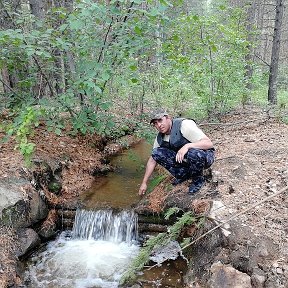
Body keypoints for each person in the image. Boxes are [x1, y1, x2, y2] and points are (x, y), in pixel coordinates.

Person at [138, 111, 215, 196]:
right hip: (186, 161)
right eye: (155, 123)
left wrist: (187, 146)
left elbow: (209, 144)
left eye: (160, 120)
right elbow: (152, 160)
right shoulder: (160, 138)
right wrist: (144, 182)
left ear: (168, 118)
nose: (159, 125)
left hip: (204, 156)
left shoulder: (184, 125)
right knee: (156, 152)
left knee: (193, 153)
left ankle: (198, 180)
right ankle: (184, 176)